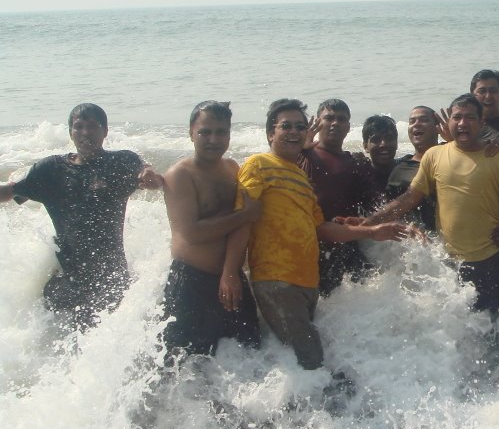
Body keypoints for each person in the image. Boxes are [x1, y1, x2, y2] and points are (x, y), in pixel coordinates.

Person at [220, 99, 412, 371]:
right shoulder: (260, 164)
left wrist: (372, 230)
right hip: (277, 278)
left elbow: (321, 227)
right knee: (310, 357)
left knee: (297, 354)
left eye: (299, 126)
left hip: (307, 281)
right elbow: (244, 221)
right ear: (270, 133)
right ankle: (326, 405)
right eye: (286, 126)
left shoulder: (300, 178)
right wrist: (231, 272)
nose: (294, 131)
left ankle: (300, 404)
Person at [365, 94, 499, 317]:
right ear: (449, 122)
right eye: (457, 117)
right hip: (449, 263)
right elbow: (408, 199)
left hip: (493, 262)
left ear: (482, 123)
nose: (462, 122)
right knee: (458, 328)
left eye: (470, 117)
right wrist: (369, 223)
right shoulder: (433, 156)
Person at [0, 103, 161, 329]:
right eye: (79, 127)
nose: (86, 133)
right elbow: (10, 191)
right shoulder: (51, 170)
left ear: (105, 131)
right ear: (70, 132)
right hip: (68, 283)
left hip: (112, 280)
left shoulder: (121, 163)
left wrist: (149, 175)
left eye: (93, 126)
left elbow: (147, 173)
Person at [161, 101, 261, 356]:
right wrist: (245, 215)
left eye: (221, 132)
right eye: (205, 132)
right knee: (182, 367)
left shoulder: (232, 168)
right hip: (191, 282)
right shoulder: (179, 175)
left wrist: (231, 273)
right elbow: (191, 233)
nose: (213, 139)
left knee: (248, 355)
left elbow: (241, 227)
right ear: (191, 132)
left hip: (231, 278)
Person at [299, 99, 377, 294]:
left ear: (349, 127)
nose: (335, 123)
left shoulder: (357, 163)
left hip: (346, 246)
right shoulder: (301, 155)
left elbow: (377, 203)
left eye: (341, 119)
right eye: (329, 118)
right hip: (309, 246)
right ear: (317, 122)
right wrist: (301, 147)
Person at [386, 106, 441, 231]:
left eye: (423, 120)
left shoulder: (452, 156)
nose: (417, 124)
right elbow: (394, 214)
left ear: (437, 128)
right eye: (412, 121)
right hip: (424, 243)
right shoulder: (400, 171)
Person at [361, 115, 399, 206]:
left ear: (397, 143)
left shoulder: (407, 168)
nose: (383, 144)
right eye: (376, 140)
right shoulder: (359, 174)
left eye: (389, 138)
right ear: (366, 146)